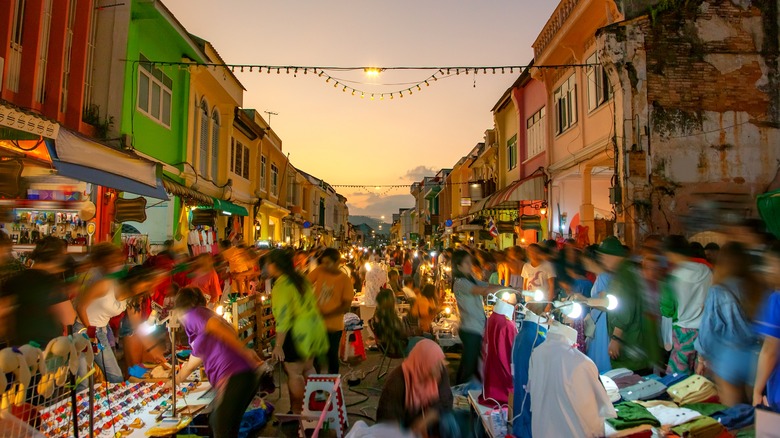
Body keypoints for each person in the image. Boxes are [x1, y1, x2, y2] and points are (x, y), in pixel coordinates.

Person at [174, 287, 264, 438]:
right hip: (244, 375)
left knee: (220, 426)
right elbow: (192, 363)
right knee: (226, 427)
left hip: (235, 375)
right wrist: (176, 379)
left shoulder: (192, 315)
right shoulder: (202, 321)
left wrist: (243, 350)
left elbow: (216, 326)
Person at [695, 242, 763, 406]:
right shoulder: (757, 287)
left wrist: (702, 358)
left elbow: (708, 329)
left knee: (733, 416)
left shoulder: (718, 290)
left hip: (729, 357)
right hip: (756, 357)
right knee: (756, 414)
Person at [268, 249, 328, 414]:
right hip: (312, 329)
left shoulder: (281, 285)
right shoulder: (301, 279)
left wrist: (278, 345)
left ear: (274, 265)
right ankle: (317, 406)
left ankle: (299, 411)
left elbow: (283, 318)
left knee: (294, 373)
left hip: (296, 333)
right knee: (308, 368)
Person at [74, 244, 141, 383]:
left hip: (100, 329)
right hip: (84, 329)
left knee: (112, 374)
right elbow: (81, 305)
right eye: (113, 260)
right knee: (83, 380)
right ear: (103, 260)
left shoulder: (115, 278)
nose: (117, 263)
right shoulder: (96, 277)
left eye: (118, 260)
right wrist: (91, 332)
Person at [376, 339, 458, 437]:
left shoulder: (440, 371)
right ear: (422, 364)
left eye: (440, 364)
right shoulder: (398, 379)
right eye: (434, 365)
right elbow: (387, 416)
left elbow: (445, 401)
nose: (439, 369)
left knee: (449, 421)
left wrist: (424, 421)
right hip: (405, 422)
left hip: (427, 417)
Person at [601, 237, 659, 373]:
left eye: (604, 256)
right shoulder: (625, 271)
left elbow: (625, 309)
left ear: (613, 256)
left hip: (631, 344)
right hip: (634, 343)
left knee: (633, 384)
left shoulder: (624, 275)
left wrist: (615, 338)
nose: (602, 260)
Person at [0, 237, 72, 347]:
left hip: (18, 347)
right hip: (45, 349)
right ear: (58, 257)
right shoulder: (51, 282)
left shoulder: (15, 279)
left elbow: (3, 314)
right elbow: (69, 318)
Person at [452, 249, 505, 384]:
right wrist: (505, 290)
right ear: (458, 266)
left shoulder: (470, 279)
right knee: (469, 367)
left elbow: (486, 285)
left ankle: (462, 392)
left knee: (470, 364)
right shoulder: (460, 283)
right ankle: (459, 393)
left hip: (476, 327)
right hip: (470, 329)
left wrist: (507, 288)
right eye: (467, 263)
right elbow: (482, 290)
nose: (470, 265)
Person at [662, 235, 712, 374]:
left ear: (671, 253)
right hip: (705, 331)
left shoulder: (672, 277)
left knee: (678, 378)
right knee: (701, 377)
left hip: (682, 331)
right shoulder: (706, 271)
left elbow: (667, 311)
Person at [308, 248, 354, 374]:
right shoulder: (320, 271)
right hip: (317, 325)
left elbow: (346, 306)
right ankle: (317, 387)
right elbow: (304, 283)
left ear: (337, 262)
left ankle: (333, 387)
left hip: (334, 326)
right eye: (323, 262)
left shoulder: (344, 279)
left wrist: (327, 314)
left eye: (328, 263)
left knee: (331, 357)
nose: (325, 266)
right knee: (316, 358)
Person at [120, 267, 166, 369]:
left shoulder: (139, 295)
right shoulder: (129, 296)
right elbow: (136, 326)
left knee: (143, 366)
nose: (149, 288)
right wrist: (154, 349)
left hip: (140, 329)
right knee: (135, 368)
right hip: (131, 331)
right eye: (147, 285)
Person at [754, 243, 780, 408]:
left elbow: (770, 350)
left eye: (771, 264)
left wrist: (757, 390)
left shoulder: (776, 300)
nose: (767, 270)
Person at [371, 289, 408, 357]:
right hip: (397, 347)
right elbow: (399, 334)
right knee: (423, 340)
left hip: (388, 347)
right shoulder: (388, 318)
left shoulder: (379, 315)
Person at [521, 244, 557, 313]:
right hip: (529, 301)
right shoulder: (526, 266)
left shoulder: (548, 265)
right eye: (530, 251)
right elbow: (525, 283)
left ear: (539, 253)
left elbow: (551, 285)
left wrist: (549, 304)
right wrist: (524, 297)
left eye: (534, 251)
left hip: (543, 300)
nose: (532, 253)